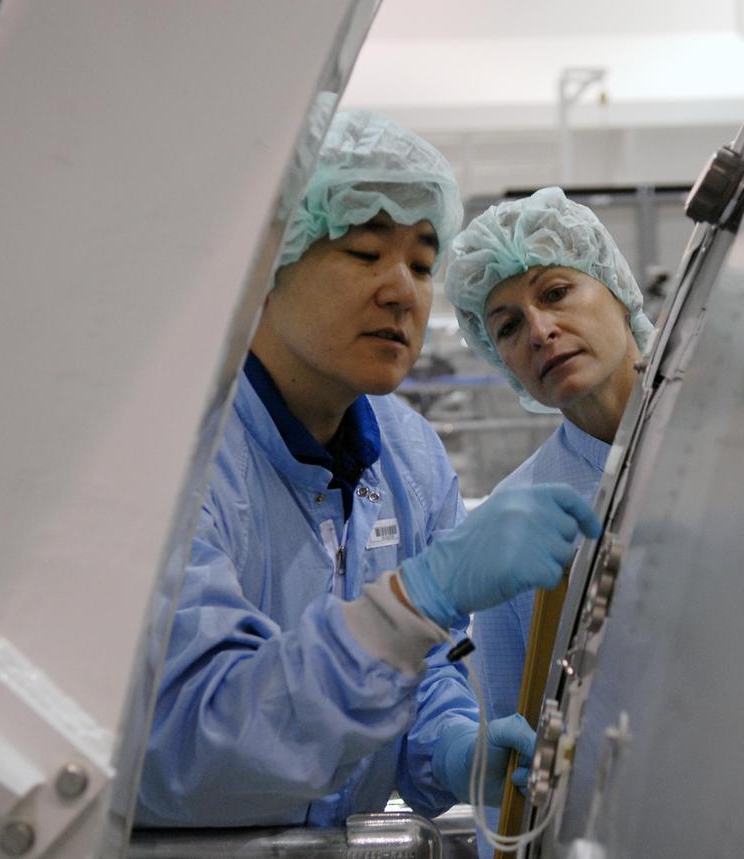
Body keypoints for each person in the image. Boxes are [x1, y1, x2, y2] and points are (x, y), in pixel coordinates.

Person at [136, 103, 600, 828]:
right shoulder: (179, 458)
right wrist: (417, 596)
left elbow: (422, 677)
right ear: (267, 262)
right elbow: (194, 742)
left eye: (421, 262)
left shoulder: (409, 458)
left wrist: (452, 746)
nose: (403, 290)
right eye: (364, 252)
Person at [443, 186, 655, 845]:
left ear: (616, 287)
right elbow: (513, 761)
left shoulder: (735, 433)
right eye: (507, 325)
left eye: (556, 292)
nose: (539, 330)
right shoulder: (515, 517)